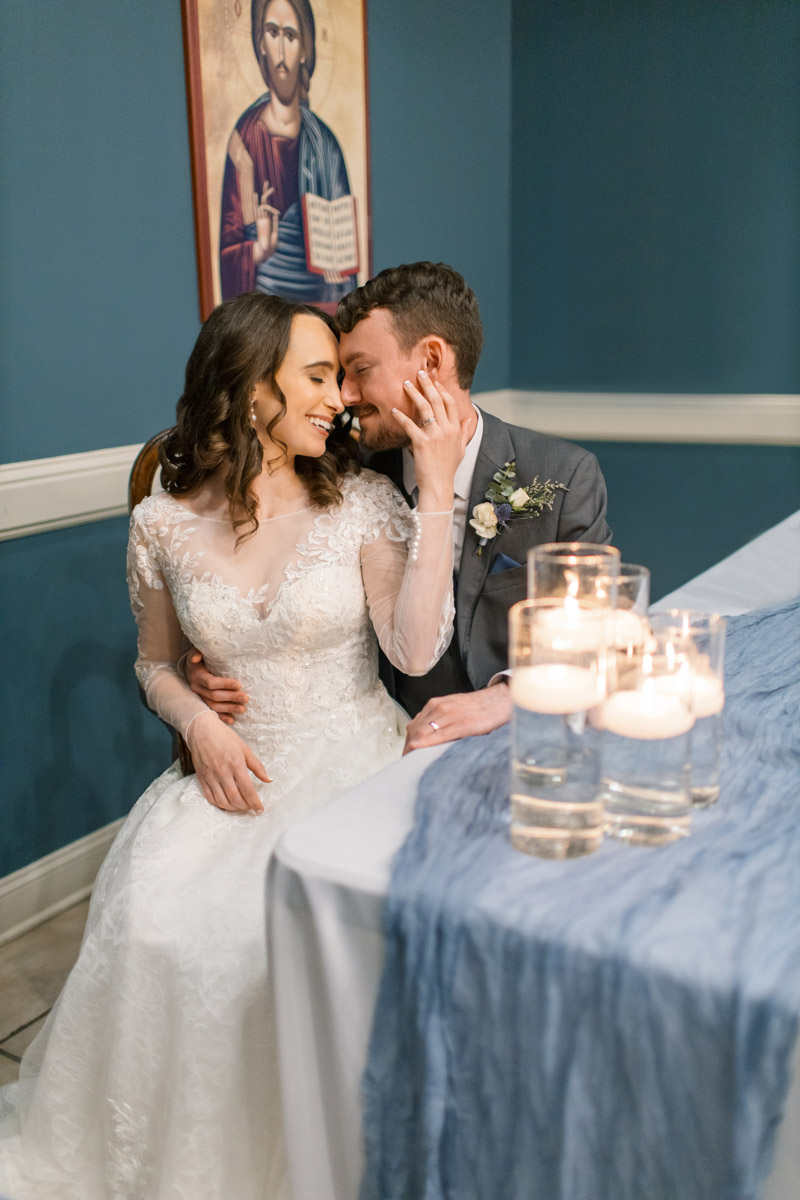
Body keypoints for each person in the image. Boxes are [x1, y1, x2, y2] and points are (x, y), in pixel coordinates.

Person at [0, 293, 466, 1199]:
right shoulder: (162, 523)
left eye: (338, 377)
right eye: (317, 377)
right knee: (154, 920)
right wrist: (198, 722)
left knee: (266, 948)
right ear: (253, 390)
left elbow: (414, 652)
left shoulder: (363, 503)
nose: (338, 397)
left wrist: (439, 489)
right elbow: (154, 664)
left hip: (352, 761)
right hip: (232, 770)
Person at [188, 262, 612, 752]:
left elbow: (602, 634)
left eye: (360, 370)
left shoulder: (563, 476)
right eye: (338, 375)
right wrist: (201, 666)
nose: (344, 396)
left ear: (431, 360)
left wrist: (505, 699)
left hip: (524, 738)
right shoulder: (347, 480)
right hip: (385, 743)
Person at [220, 0, 356, 306]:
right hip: (264, 316)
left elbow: (345, 275)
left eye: (291, 36)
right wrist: (259, 249)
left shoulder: (326, 145)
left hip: (322, 314)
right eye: (272, 33)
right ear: (261, 44)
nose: (281, 51)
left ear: (304, 50)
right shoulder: (244, 140)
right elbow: (228, 250)